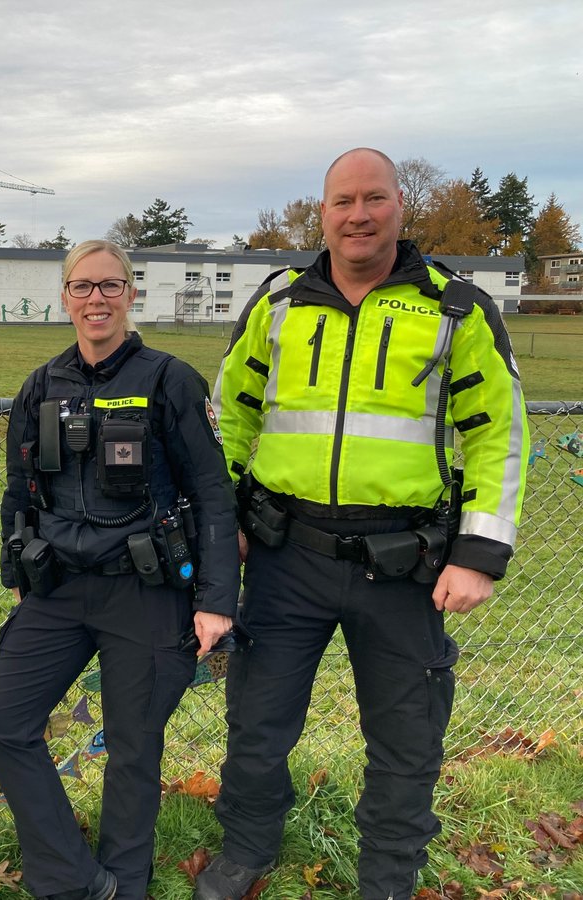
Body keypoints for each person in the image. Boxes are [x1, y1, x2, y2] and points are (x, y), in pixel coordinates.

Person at [197, 148, 528, 900]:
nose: (358, 215)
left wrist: (478, 552)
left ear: (400, 208)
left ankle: (388, 874)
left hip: (405, 565)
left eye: (373, 198)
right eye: (343, 201)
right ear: (323, 213)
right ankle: (247, 847)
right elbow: (229, 420)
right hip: (285, 555)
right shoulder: (279, 302)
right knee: (256, 725)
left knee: (407, 739)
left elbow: (498, 434)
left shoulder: (456, 308)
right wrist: (227, 525)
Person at [0, 239, 240, 900]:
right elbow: (18, 489)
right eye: (83, 287)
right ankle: (76, 880)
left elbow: (212, 494)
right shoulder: (41, 384)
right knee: (2, 721)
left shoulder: (169, 379)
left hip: (144, 592)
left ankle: (127, 885)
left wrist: (216, 600)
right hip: (59, 588)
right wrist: (18, 574)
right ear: (66, 297)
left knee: (132, 749)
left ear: (130, 294)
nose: (97, 299)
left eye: (110, 286)